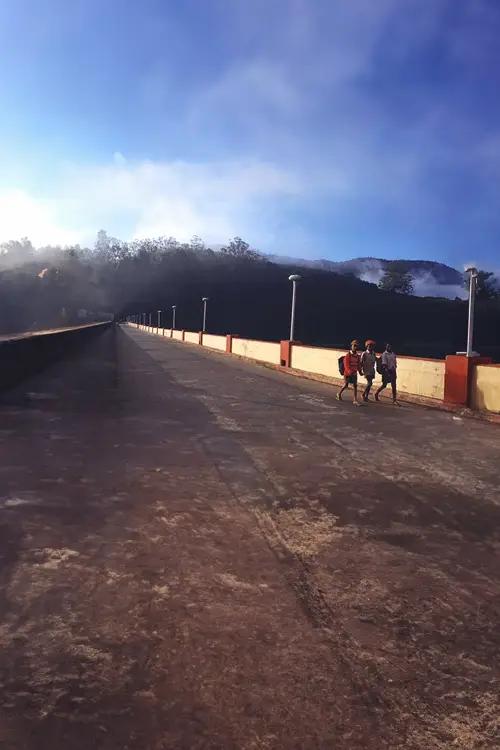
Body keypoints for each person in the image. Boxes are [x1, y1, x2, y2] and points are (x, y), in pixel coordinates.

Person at [337, 340, 362, 404]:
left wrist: (360, 371)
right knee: (346, 385)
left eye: (356, 346)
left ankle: (355, 400)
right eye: (354, 346)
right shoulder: (348, 355)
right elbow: (346, 365)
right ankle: (339, 394)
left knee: (355, 386)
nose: (355, 347)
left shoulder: (357, 356)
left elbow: (358, 364)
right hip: (348, 374)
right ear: (351, 346)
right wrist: (350, 372)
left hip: (354, 373)